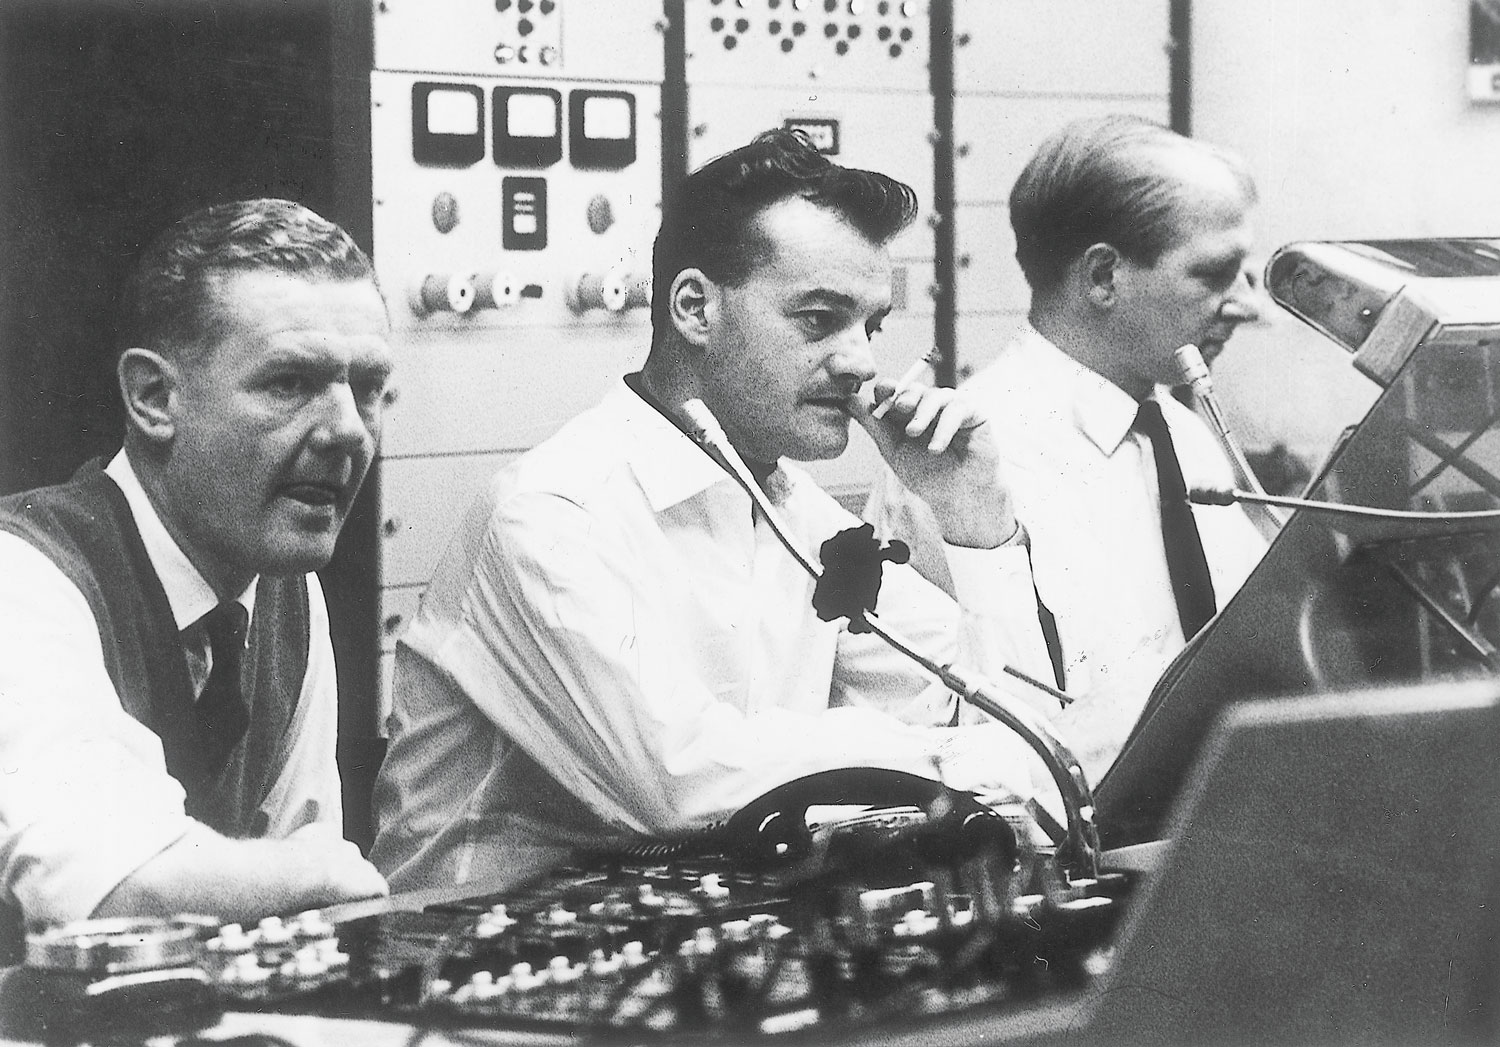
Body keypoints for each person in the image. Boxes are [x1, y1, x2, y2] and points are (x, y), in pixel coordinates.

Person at [371, 129, 1058, 892]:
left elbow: (1023, 738)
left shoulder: (801, 512)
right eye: (818, 318)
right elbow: (681, 786)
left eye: (871, 325)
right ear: (695, 308)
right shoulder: (553, 511)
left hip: (697, 940)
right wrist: (943, 759)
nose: (862, 360)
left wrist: (979, 526)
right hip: (466, 957)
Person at [0, 199, 392, 954]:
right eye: (289, 382)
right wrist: (317, 873)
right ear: (154, 398)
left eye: (368, 386)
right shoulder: (25, 577)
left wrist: (307, 876)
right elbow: (113, 886)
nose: (348, 427)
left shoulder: (284, 590)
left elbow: (299, 902)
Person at [867, 115, 1269, 781]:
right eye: (1217, 273)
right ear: (1104, 276)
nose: (1249, 307)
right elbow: (950, 733)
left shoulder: (1184, 434)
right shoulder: (956, 464)